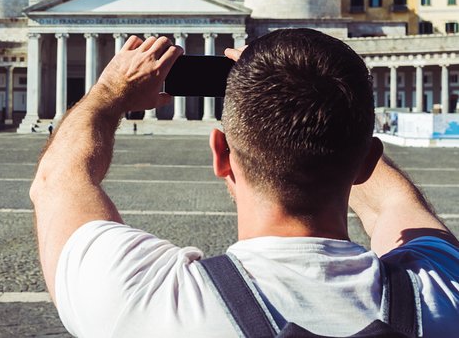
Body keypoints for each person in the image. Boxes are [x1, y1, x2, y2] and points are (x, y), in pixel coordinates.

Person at [29, 29, 459, 337]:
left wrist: (108, 94)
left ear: (221, 155)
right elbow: (393, 206)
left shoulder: (143, 302)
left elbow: (58, 181)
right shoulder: (444, 292)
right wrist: (296, 88)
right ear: (366, 161)